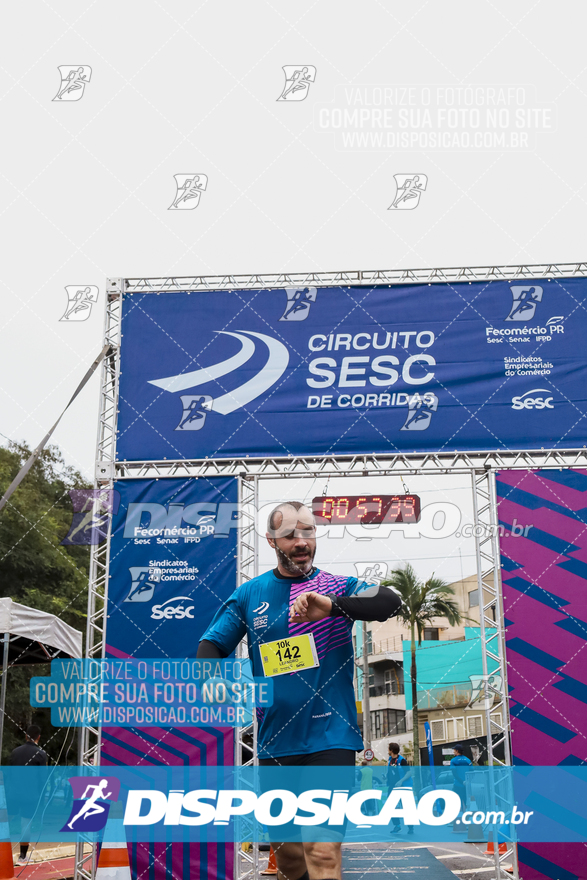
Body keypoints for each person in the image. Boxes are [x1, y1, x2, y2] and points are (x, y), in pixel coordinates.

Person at [198, 500, 401, 880]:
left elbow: (390, 602)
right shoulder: (250, 595)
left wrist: (333, 606)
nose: (301, 541)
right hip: (276, 742)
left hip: (331, 738)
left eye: (308, 531)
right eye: (291, 534)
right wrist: (209, 678)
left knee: (322, 851)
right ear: (272, 540)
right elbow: (212, 645)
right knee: (289, 858)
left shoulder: (339, 588)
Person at [9, 725, 47, 866]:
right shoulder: (41, 754)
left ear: (26, 736)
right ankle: (22, 857)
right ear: (38, 737)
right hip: (30, 795)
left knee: (5, 822)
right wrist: (42, 799)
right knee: (25, 824)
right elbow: (43, 779)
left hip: (13, 793)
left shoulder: (15, 752)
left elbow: (9, 774)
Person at [387, 742, 413, 835]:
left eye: (388, 748)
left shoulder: (402, 760)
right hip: (392, 786)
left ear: (392, 750)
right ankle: (397, 825)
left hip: (402, 786)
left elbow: (409, 773)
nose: (388, 750)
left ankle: (410, 827)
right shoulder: (390, 759)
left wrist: (401, 781)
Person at [450, 743, 472, 810]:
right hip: (467, 786)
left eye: (454, 750)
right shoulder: (468, 760)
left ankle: (460, 816)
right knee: (467, 801)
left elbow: (454, 774)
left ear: (457, 751)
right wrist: (468, 781)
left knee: (458, 801)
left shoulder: (453, 761)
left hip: (458, 784)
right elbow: (472, 772)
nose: (453, 751)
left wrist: (462, 782)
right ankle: (467, 815)